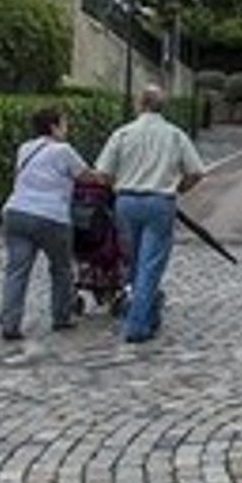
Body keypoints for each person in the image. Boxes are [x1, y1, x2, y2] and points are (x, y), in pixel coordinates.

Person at [95, 84, 205, 343]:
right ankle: (138, 324)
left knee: (133, 262)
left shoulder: (123, 134)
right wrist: (179, 188)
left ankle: (146, 313)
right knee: (151, 263)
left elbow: (103, 173)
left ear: (139, 104)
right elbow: (196, 172)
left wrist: (118, 185)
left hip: (127, 201)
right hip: (159, 201)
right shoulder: (175, 135)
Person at [0, 104, 93, 340]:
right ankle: (61, 317)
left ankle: (10, 323)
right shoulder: (63, 150)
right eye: (64, 123)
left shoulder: (25, 148)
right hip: (51, 217)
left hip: (16, 212)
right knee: (61, 268)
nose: (67, 128)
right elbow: (86, 176)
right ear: (54, 127)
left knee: (16, 271)